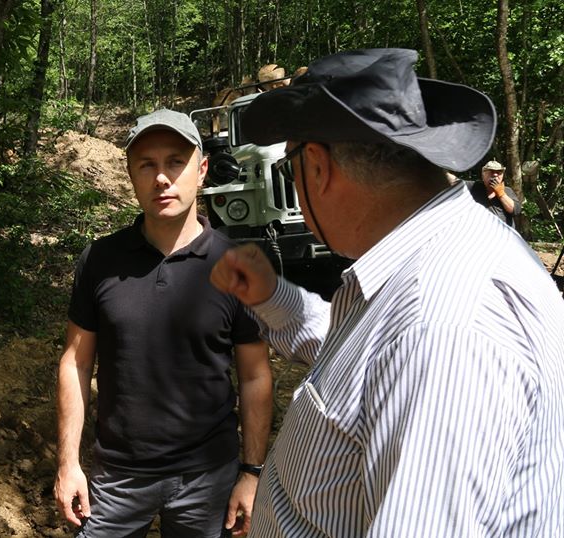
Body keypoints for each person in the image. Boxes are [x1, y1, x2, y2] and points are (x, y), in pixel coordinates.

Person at [210, 48, 564, 537]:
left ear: (317, 166)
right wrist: (275, 297)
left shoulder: (440, 328)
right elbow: (370, 368)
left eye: (291, 165)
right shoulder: (445, 258)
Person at [53, 108, 273, 537]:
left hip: (207, 479)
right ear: (131, 174)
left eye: (175, 162)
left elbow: (255, 375)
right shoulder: (100, 260)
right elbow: (75, 363)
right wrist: (68, 463)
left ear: (202, 170)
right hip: (116, 478)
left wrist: (252, 472)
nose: (161, 178)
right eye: (146, 165)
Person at [467, 159, 521, 228]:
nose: (495, 175)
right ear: (483, 174)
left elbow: (515, 210)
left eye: (499, 172)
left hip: (503, 232)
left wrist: (500, 193)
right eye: (491, 172)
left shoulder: (507, 191)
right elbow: (455, 183)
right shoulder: (474, 187)